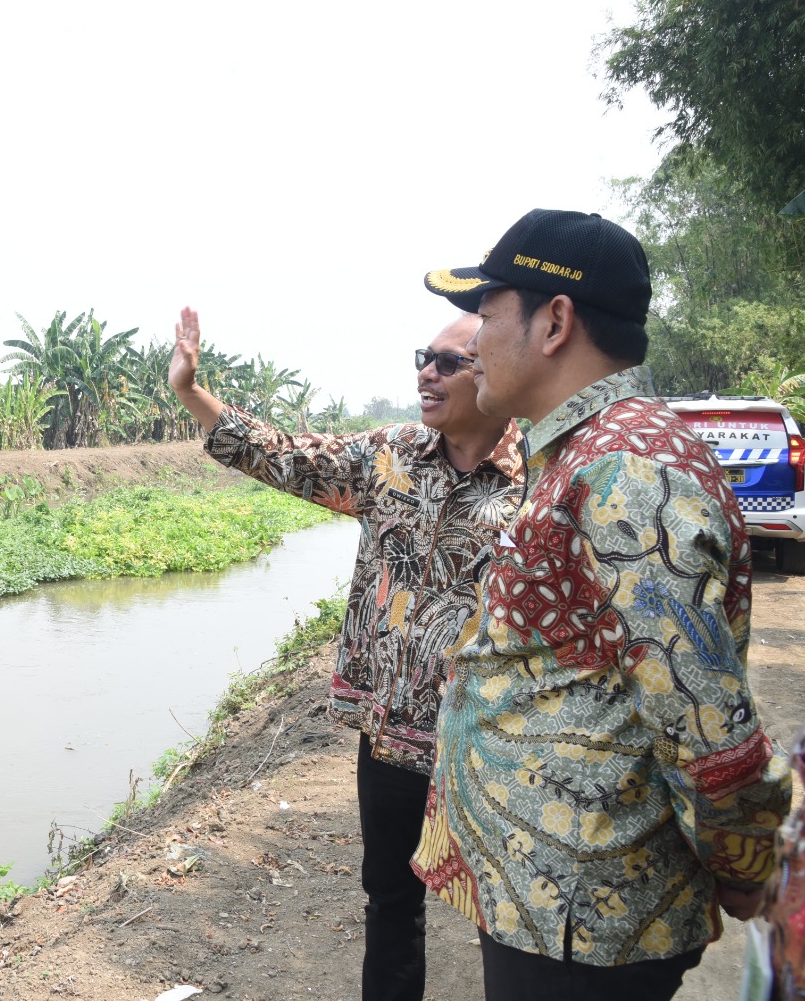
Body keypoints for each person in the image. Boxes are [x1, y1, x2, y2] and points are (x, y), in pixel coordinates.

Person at [413, 209, 793, 1000]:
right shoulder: (582, 452)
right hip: (553, 904)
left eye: (485, 317)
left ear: (555, 322)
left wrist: (746, 866)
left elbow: (706, 729)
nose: (471, 342)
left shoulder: (627, 472)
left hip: (586, 924)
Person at [169, 307, 523, 1001]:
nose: (427, 371)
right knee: (391, 900)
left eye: (449, 361)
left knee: (504, 916)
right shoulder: (387, 457)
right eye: (423, 356)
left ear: (495, 374)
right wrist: (191, 391)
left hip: (488, 746)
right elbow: (284, 456)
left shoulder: (537, 482)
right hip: (390, 739)